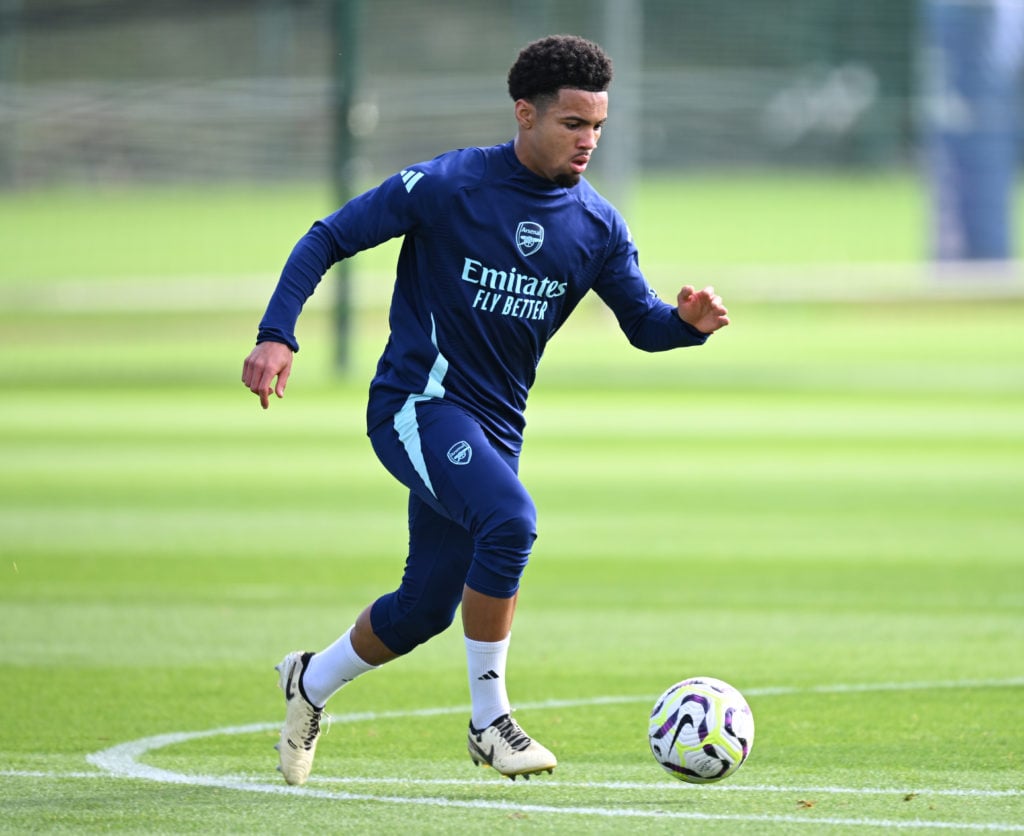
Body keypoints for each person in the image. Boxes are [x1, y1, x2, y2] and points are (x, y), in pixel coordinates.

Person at [242, 34, 729, 786]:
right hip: (418, 405)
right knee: (512, 522)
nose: (588, 140)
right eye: (573, 123)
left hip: (495, 429)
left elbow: (642, 324)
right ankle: (488, 721)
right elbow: (328, 237)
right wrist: (278, 335)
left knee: (422, 611)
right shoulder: (450, 185)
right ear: (524, 114)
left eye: (598, 125)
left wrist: (685, 327)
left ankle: (308, 683)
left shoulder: (597, 225)